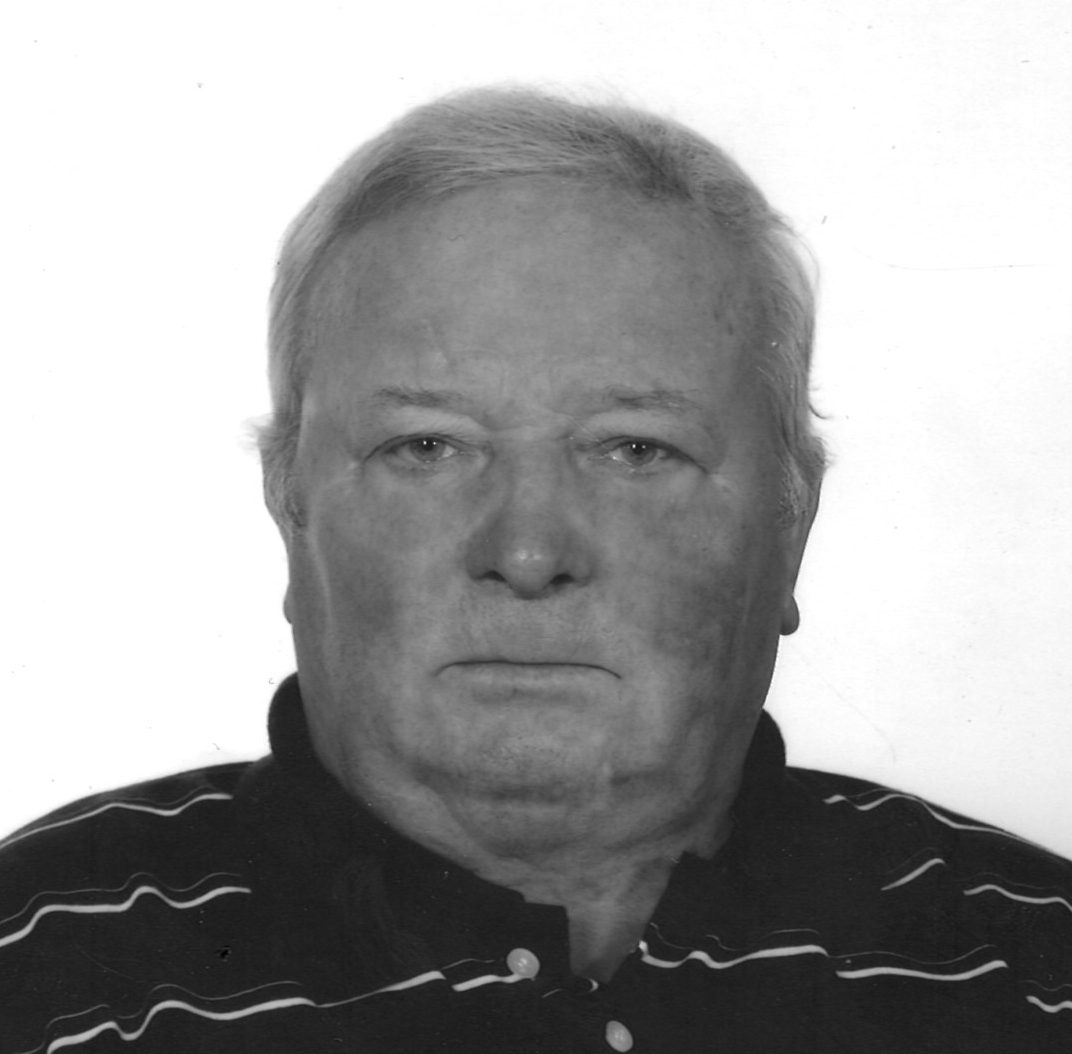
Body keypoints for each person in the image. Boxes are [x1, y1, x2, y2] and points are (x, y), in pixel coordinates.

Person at [1, 88, 1069, 1054]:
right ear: (291, 509)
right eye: (426, 446)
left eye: (634, 449)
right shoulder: (33, 967)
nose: (526, 554)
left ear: (792, 525)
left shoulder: (1037, 976)